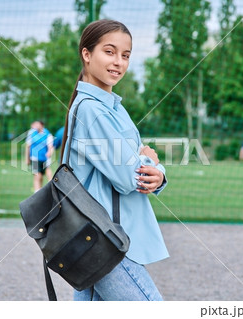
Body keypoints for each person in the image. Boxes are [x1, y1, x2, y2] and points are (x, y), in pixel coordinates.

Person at [60, 19, 168, 301]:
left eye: (125, 55)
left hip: (104, 238)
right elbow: (129, 176)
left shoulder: (112, 107)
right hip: (107, 241)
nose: (118, 62)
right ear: (87, 54)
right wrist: (150, 163)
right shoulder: (92, 110)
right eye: (109, 52)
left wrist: (157, 174)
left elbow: (138, 169)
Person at [25, 120, 54, 192]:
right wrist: (27, 158)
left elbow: (50, 146)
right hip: (34, 158)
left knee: (47, 172)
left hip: (44, 158)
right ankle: (37, 192)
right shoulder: (32, 133)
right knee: (37, 174)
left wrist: (49, 152)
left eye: (36, 124)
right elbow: (28, 146)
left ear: (41, 125)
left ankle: (51, 188)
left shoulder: (47, 134)